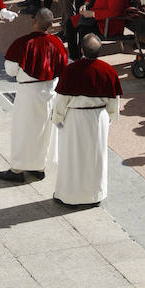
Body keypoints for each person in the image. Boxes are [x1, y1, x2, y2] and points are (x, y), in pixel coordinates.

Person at [0, 9, 68, 184]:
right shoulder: (57, 43)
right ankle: (39, 167)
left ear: (34, 21)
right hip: (50, 92)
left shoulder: (22, 43)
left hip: (28, 92)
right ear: (51, 25)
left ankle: (17, 169)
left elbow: (11, 70)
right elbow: (63, 68)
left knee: (23, 130)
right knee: (44, 131)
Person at [52, 33, 122, 206]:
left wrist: (57, 118)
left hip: (76, 118)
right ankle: (94, 196)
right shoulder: (108, 70)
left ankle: (70, 196)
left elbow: (61, 99)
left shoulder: (71, 70)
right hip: (99, 118)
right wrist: (110, 118)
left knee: (72, 157)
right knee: (96, 158)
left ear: (82, 49)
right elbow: (114, 100)